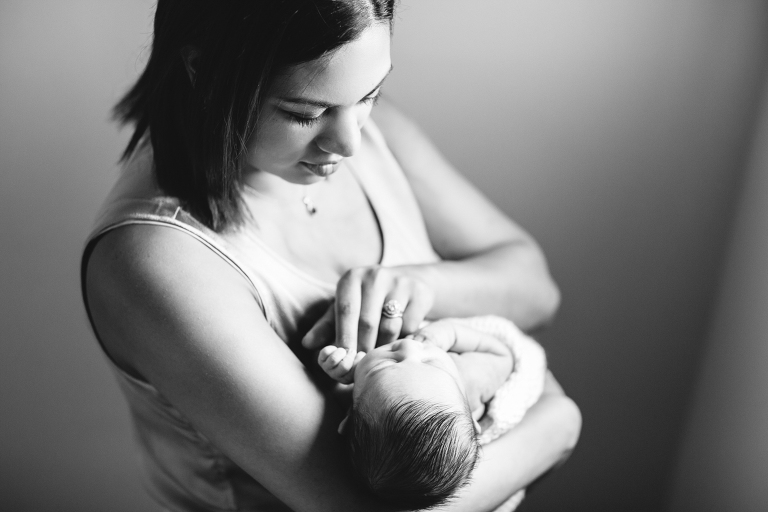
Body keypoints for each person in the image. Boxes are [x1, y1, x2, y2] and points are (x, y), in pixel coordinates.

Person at [81, 2, 581, 511]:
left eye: (371, 94)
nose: (350, 142)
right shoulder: (157, 261)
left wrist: (421, 284)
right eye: (305, 113)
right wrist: (558, 426)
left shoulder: (362, 120)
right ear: (202, 68)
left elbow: (537, 292)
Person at [318, 317, 548, 511]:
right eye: (431, 363)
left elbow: (342, 390)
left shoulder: (366, 406)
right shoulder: (471, 378)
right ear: (473, 422)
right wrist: (450, 335)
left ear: (349, 418)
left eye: (385, 366)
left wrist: (343, 372)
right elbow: (502, 354)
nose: (409, 347)